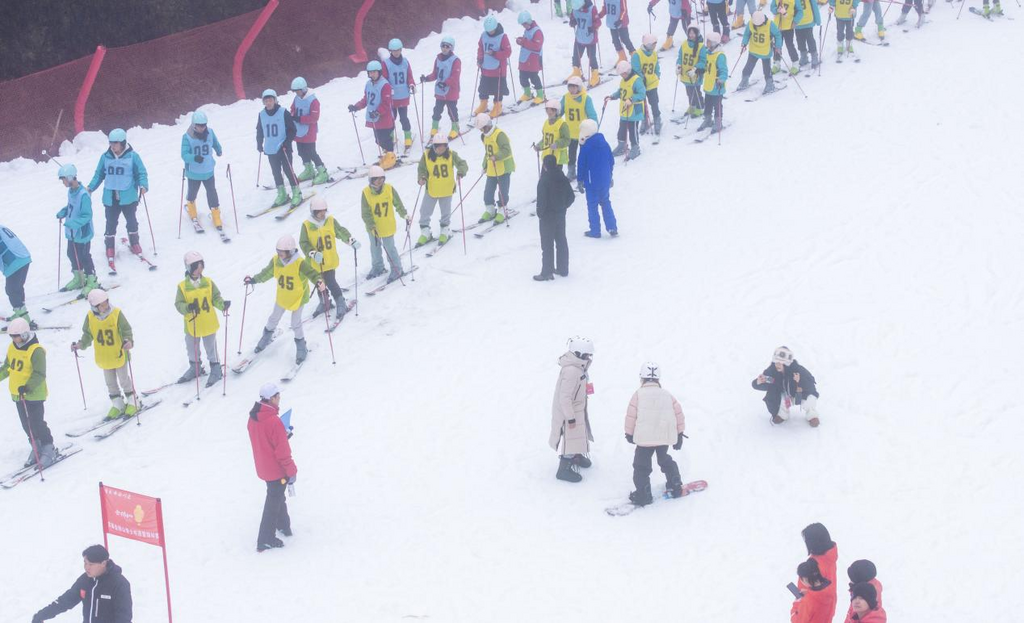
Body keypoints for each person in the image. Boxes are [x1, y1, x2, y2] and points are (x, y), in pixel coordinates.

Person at [244, 236, 324, 364]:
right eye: (278, 251)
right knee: (273, 318)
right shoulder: (276, 261)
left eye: (282, 252)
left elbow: (312, 273)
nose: (279, 254)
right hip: (283, 296)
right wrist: (254, 279)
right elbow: (267, 272)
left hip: (298, 297)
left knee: (295, 323)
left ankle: (301, 347)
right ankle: (266, 338)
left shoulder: (300, 263)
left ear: (291, 251)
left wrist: (319, 281)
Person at [623, 361, 686, 505]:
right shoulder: (667, 395)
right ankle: (675, 483)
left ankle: (643, 493)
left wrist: (629, 433)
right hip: (663, 438)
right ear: (658, 378)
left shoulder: (638, 395)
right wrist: (679, 434)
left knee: (641, 466)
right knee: (664, 460)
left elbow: (631, 415)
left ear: (642, 378)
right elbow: (679, 414)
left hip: (644, 440)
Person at [73, 289, 138, 420]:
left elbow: (126, 329)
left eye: (106, 303)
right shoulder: (90, 317)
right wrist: (80, 345)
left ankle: (133, 401)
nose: (105, 306)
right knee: (110, 382)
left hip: (118, 353)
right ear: (94, 307)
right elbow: (88, 334)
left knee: (124, 379)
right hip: (104, 356)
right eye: (101, 305)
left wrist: (128, 341)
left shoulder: (116, 313)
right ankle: (117, 404)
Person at [247, 383, 297, 552]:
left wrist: (283, 435)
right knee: (273, 502)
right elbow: (282, 453)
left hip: (263, 467)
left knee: (276, 496)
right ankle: (265, 539)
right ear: (272, 398)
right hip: (276, 470)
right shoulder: (274, 422)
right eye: (278, 396)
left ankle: (283, 525)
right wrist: (292, 471)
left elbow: (265, 440)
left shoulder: (253, 418)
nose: (279, 399)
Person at [0, 317, 56, 468]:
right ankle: (36, 446)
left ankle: (48, 447)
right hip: (18, 395)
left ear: (24, 334)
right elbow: (7, 367)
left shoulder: (36, 351)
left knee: (36, 423)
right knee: (26, 425)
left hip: (34, 394)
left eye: (16, 336)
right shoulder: (13, 347)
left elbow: (39, 373)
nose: (14, 339)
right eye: (12, 336)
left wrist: (27, 386)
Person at [87, 128, 149, 262]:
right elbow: (99, 174)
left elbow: (141, 173)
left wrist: (143, 185)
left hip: (128, 197)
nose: (113, 146)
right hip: (110, 197)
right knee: (110, 223)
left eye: (115, 143)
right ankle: (109, 245)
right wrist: (91, 187)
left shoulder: (133, 156)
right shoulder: (105, 157)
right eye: (111, 143)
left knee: (131, 221)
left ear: (123, 143)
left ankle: (134, 242)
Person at [32, 544, 132, 623]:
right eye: (85, 563)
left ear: (103, 563)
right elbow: (65, 601)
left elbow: (123, 618)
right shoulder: (85, 580)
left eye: (91, 564)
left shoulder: (119, 584)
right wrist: (41, 615)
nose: (86, 567)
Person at [175, 251, 229, 387]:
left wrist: (222, 305)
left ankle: (216, 368)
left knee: (211, 347)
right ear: (189, 268)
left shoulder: (208, 282)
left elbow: (216, 297)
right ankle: (195, 367)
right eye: (196, 267)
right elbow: (178, 304)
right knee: (192, 347)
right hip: (191, 323)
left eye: (201, 266)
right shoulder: (182, 286)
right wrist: (188, 307)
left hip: (208, 322)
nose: (199, 269)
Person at [300, 197, 358, 322]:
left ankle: (340, 302)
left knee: (331, 282)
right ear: (313, 212)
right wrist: (312, 253)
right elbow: (303, 242)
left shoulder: (330, 221)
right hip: (316, 263)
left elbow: (340, 231)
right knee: (319, 284)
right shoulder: (306, 225)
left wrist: (350, 240)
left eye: (324, 211)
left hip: (329, 260)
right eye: (319, 211)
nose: (322, 213)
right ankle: (324, 302)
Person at [549, 336, 595, 482]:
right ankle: (563, 469)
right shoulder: (571, 371)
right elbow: (564, 397)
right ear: (579, 354)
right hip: (570, 411)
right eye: (588, 355)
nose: (589, 357)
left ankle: (576, 455)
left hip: (577, 408)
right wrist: (570, 417)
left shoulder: (579, 368)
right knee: (571, 436)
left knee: (578, 434)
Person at [416, 134, 468, 247]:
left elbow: (462, 163)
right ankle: (425, 232)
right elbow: (421, 169)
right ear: (434, 146)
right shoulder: (426, 155)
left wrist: (461, 172)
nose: (441, 149)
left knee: (445, 211)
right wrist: (422, 177)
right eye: (439, 146)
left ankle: (445, 229)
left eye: (444, 146)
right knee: (424, 211)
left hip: (447, 189)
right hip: (432, 189)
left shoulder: (451, 154)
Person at [56, 164, 99, 295]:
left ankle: (92, 280)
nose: (62, 182)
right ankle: (79, 278)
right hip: (72, 232)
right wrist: (64, 211)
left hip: (82, 232)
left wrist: (75, 223)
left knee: (84, 256)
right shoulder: (71, 191)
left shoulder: (83, 195)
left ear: (70, 177)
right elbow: (71, 206)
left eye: (63, 179)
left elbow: (87, 215)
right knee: (71, 254)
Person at [361, 166, 409, 282]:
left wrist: (404, 214)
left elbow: (398, 204)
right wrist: (371, 224)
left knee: (390, 248)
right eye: (376, 179)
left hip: (387, 225)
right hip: (373, 228)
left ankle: (397, 269)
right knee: (375, 248)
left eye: (381, 178)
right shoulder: (366, 192)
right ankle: (378, 267)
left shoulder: (389, 189)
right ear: (371, 180)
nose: (379, 181)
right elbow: (365, 212)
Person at [256, 89, 303, 208]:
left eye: (270, 100)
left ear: (275, 100)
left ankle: (297, 192)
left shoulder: (283, 112)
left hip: (283, 148)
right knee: (276, 173)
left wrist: (287, 143)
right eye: (266, 101)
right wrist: (259, 143)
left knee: (288, 170)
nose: (268, 103)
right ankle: (282, 193)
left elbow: (292, 130)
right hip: (270, 149)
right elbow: (260, 130)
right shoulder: (261, 114)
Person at [751, 345, 821, 425]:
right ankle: (782, 415)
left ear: (786, 363)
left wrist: (799, 381)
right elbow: (762, 385)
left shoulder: (798, 370)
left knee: (810, 399)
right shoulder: (772, 371)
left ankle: (812, 416)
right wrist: (758, 382)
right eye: (776, 362)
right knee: (779, 399)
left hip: (800, 393)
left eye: (780, 363)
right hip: (786, 395)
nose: (777, 365)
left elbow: (811, 385)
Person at [180, 110, 225, 232]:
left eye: (204, 125)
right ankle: (192, 210)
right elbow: (184, 155)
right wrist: (194, 158)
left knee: (212, 192)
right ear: (194, 125)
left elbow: (214, 143)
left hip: (208, 170)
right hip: (194, 173)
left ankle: (216, 215)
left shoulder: (210, 132)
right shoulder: (187, 137)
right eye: (200, 125)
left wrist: (218, 150)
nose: (202, 128)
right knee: (192, 193)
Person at [349, 61, 398, 170]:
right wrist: (356, 107)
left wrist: (377, 112)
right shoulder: (368, 84)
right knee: (377, 140)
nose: (372, 74)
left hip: (384, 118)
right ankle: (387, 154)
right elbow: (366, 99)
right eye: (370, 73)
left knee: (384, 139)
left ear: (379, 72)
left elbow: (386, 103)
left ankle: (391, 157)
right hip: (373, 118)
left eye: (374, 72)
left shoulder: (385, 85)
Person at [534, 154, 575, 281]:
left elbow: (541, 201)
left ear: (545, 166)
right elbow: (571, 197)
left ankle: (547, 272)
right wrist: (563, 207)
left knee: (547, 245)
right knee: (561, 241)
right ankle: (563, 269)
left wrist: (540, 214)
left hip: (547, 217)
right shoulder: (562, 177)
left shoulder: (544, 180)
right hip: (560, 214)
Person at [576, 119, 618, 238]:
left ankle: (595, 230)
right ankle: (612, 227)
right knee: (605, 202)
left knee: (592, 205)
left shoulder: (586, 147)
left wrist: (580, 180)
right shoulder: (605, 144)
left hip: (591, 182)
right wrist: (610, 176)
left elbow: (581, 164)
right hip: (605, 180)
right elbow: (611, 161)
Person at [475, 114, 516, 224]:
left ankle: (502, 210)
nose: (481, 131)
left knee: (503, 191)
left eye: (482, 128)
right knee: (488, 191)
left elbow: (506, 150)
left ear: (487, 125)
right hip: (492, 168)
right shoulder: (485, 136)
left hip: (504, 167)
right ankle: (490, 210)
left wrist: (496, 156)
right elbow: (487, 152)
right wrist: (485, 165)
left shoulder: (499, 134)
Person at [289, 77, 331, 185]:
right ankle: (309, 169)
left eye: (298, 91)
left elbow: (314, 118)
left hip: (309, 131)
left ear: (303, 89)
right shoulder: (297, 98)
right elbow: (293, 108)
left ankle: (322, 171)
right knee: (301, 151)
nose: (297, 93)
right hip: (298, 130)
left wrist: (300, 118)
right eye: (295, 91)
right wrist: (292, 115)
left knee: (311, 152)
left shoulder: (313, 101)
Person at [420, 36, 463, 140]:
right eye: (443, 46)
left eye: (447, 46)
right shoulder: (438, 58)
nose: (444, 48)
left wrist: (446, 83)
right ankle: (435, 127)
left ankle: (455, 128)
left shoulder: (456, 60)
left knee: (452, 110)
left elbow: (455, 77)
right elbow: (436, 74)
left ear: (451, 48)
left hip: (451, 91)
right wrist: (426, 78)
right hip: (440, 91)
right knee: (437, 110)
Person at [605, 60, 646, 159]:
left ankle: (635, 147)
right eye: (620, 74)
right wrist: (612, 96)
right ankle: (622, 146)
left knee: (633, 130)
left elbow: (642, 93)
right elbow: (621, 91)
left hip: (635, 110)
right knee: (622, 129)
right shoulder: (623, 80)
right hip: (625, 110)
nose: (621, 76)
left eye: (623, 74)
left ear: (627, 71)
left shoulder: (636, 80)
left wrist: (632, 99)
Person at [560, 76, 598, 183]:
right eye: (569, 87)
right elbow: (560, 111)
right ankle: (571, 172)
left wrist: (594, 128)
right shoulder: (566, 97)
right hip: (570, 133)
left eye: (574, 87)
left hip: (583, 134)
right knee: (571, 155)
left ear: (579, 87)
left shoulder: (586, 98)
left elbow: (592, 115)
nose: (571, 89)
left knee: (583, 155)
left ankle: (584, 173)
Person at [381, 40, 417, 153]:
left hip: (403, 95)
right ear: (390, 51)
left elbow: (409, 75)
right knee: (391, 119)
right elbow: (384, 78)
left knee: (403, 118)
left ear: (401, 50)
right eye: (393, 51)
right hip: (391, 97)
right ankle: (390, 138)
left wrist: (411, 83)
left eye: (398, 50)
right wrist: (388, 88)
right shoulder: (386, 63)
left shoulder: (405, 62)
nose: (396, 52)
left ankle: (407, 136)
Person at [475, 15, 512, 118]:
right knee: (483, 87)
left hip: (498, 69)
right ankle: (483, 104)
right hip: (486, 68)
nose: (490, 32)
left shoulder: (503, 37)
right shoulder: (483, 35)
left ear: (495, 27)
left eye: (491, 30)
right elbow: (480, 48)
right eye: (488, 31)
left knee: (497, 88)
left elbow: (508, 52)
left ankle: (498, 105)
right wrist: (479, 59)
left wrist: (495, 53)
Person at [739, 11, 783, 94]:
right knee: (748, 67)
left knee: (766, 69)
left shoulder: (770, 24)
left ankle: (769, 84)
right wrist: (744, 43)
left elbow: (777, 35)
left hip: (765, 51)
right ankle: (744, 80)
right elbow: (746, 34)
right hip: (753, 50)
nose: (756, 26)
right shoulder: (751, 23)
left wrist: (778, 46)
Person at [802, 522, 839, 620]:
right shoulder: (831, 555)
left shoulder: (813, 565)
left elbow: (803, 594)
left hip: (813, 611)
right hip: (829, 605)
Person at [696, 31, 728, 132]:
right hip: (708, 85)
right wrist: (698, 69)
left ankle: (718, 122)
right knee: (708, 104)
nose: (707, 43)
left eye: (709, 42)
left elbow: (724, 70)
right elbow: (704, 65)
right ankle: (708, 119)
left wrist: (721, 79)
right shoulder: (707, 53)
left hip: (717, 85)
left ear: (714, 43)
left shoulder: (720, 55)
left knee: (717, 105)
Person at [0, 225, 32, 324]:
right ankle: (21, 313)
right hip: (23, 257)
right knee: (17, 287)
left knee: (12, 290)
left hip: (14, 261)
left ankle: (23, 319)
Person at [568, 0, 603, 88]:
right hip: (579, 37)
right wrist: (572, 22)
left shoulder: (592, 9)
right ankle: (577, 73)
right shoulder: (575, 8)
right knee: (576, 56)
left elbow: (598, 22)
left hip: (590, 38)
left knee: (591, 57)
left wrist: (593, 27)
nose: (578, 10)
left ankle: (595, 76)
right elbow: (573, 17)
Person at [633, 33, 663, 135]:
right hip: (641, 84)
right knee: (642, 104)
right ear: (647, 44)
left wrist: (657, 75)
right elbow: (636, 69)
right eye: (653, 44)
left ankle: (657, 118)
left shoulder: (654, 53)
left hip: (652, 83)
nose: (654, 46)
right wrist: (642, 79)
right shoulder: (637, 55)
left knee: (654, 102)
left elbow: (656, 65)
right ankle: (645, 120)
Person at [790, 559, 834, 623]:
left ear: (805, 579)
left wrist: (797, 603)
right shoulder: (830, 588)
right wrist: (809, 593)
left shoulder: (807, 602)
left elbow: (797, 621)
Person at [516, 11, 546, 105]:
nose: (523, 26)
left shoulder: (537, 31)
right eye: (522, 25)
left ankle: (540, 95)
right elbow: (526, 40)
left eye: (524, 24)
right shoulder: (527, 30)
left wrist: (523, 42)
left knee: (534, 77)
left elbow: (537, 46)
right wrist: (520, 40)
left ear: (528, 21)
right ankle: (527, 93)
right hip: (525, 58)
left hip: (533, 59)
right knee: (522, 76)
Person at [677, 26, 706, 118]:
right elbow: (680, 56)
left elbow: (703, 61)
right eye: (690, 33)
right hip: (685, 74)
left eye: (693, 33)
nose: (691, 35)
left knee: (696, 91)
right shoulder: (684, 44)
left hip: (695, 74)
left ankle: (700, 107)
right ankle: (692, 106)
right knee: (689, 92)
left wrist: (695, 69)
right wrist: (678, 65)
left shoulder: (701, 46)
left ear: (697, 34)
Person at [534, 99, 571, 169]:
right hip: (547, 157)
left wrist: (557, 144)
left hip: (557, 158)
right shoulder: (546, 123)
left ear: (557, 111)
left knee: (554, 179)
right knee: (545, 179)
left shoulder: (562, 124)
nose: (549, 112)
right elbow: (545, 139)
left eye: (552, 110)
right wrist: (539, 146)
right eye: (547, 110)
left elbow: (567, 140)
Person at [772, 0, 803, 75]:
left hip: (788, 27)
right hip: (777, 27)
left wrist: (795, 21)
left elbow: (800, 11)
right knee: (776, 45)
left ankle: (795, 63)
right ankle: (777, 63)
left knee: (789, 45)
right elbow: (772, 7)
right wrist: (776, 10)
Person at [793, 0, 821, 69]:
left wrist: (818, 20)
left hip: (808, 21)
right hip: (797, 23)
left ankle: (814, 56)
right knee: (800, 41)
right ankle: (804, 56)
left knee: (810, 40)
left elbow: (814, 6)